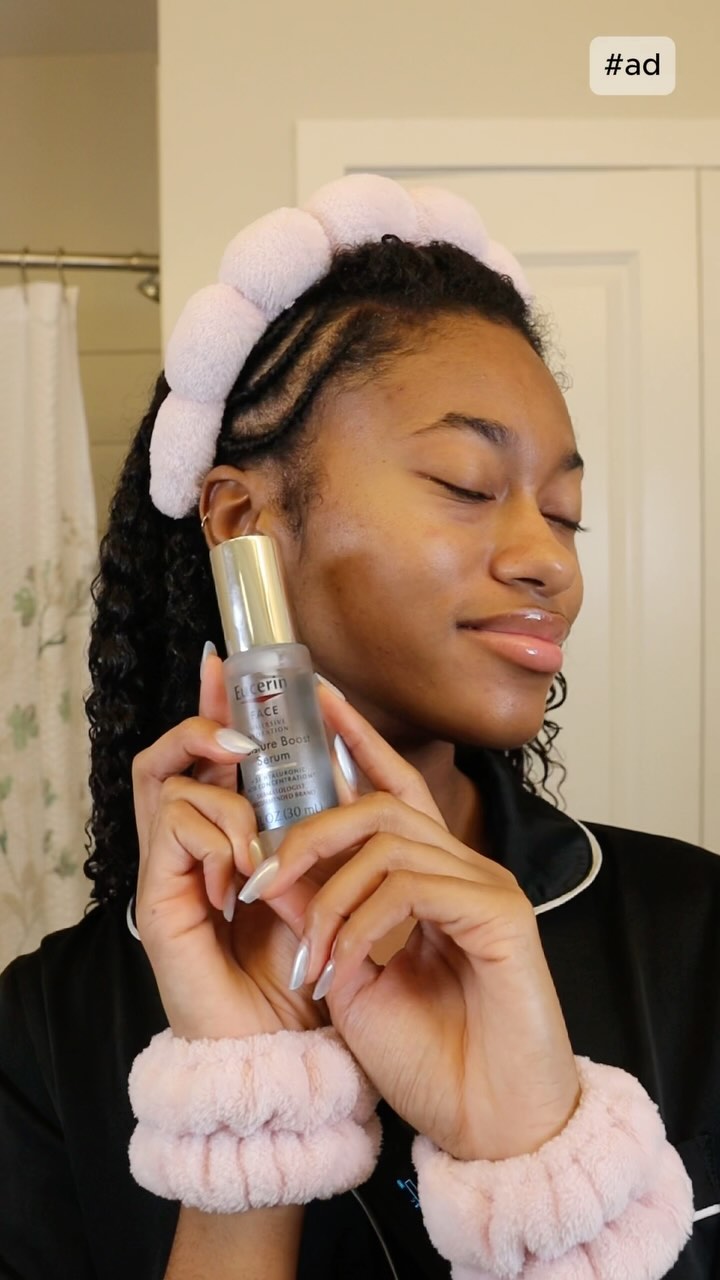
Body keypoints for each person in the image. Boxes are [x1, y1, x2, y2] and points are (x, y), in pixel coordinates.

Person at [0, 173, 718, 1280]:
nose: (550, 560)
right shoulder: (48, 1029)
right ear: (241, 519)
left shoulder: (697, 932)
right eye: (467, 483)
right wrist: (250, 1120)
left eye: (565, 511)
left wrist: (535, 1155)